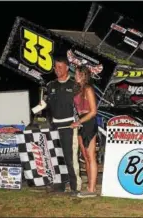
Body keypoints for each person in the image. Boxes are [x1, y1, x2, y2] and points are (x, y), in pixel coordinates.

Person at [45, 56, 82, 196]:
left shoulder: (74, 85)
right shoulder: (50, 85)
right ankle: (59, 185)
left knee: (70, 158)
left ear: (67, 68)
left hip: (69, 126)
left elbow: (81, 106)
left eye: (60, 67)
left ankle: (75, 187)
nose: (57, 70)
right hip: (54, 126)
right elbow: (45, 105)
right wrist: (34, 112)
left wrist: (79, 122)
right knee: (56, 157)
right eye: (55, 67)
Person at [70, 66, 98, 198]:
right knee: (85, 156)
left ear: (83, 75)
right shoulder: (78, 89)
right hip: (81, 122)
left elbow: (93, 111)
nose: (74, 76)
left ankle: (92, 189)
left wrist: (79, 122)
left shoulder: (88, 89)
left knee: (90, 155)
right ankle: (89, 186)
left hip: (88, 122)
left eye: (76, 74)